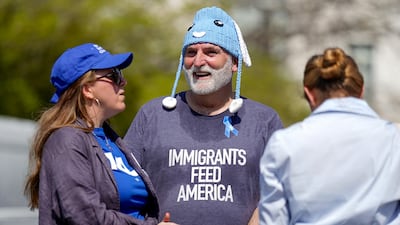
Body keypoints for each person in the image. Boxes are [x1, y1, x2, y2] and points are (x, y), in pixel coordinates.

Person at [124, 6, 283, 225]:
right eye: (191, 53)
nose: (198, 62)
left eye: (211, 52)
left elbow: (281, 191)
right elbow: (122, 190)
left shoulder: (264, 120)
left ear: (234, 63)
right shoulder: (152, 115)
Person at [24, 43, 177, 225]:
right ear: (87, 89)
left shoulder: (112, 140)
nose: (123, 81)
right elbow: (83, 215)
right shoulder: (66, 140)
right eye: (114, 75)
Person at [259, 47, 400, 225]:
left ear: (309, 94)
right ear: (361, 90)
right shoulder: (394, 138)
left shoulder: (284, 143)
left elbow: (273, 219)